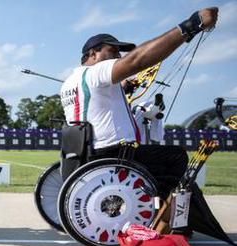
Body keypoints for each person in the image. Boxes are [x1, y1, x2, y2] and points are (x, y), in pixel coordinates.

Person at [60, 7, 218, 198]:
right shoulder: (97, 72)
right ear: (93, 53)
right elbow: (137, 60)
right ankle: (156, 209)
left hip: (86, 152)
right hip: (114, 154)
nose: (118, 57)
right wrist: (190, 26)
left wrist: (123, 88)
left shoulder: (72, 81)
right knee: (176, 157)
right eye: (113, 51)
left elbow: (97, 103)